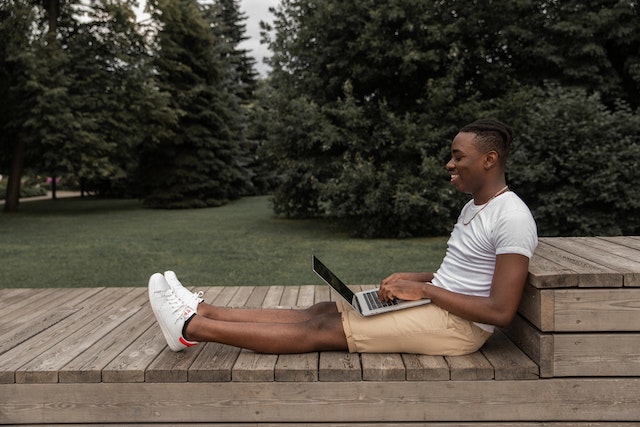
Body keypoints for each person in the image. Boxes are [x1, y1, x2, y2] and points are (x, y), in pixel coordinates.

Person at [148, 118, 538, 356]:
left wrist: (427, 292)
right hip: (442, 308)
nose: (449, 164)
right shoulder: (476, 206)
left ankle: (189, 330)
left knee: (320, 331)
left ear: (489, 160)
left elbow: (500, 312)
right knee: (320, 311)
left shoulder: (512, 217)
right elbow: (465, 276)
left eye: (458, 156)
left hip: (459, 329)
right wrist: (414, 280)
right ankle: (204, 311)